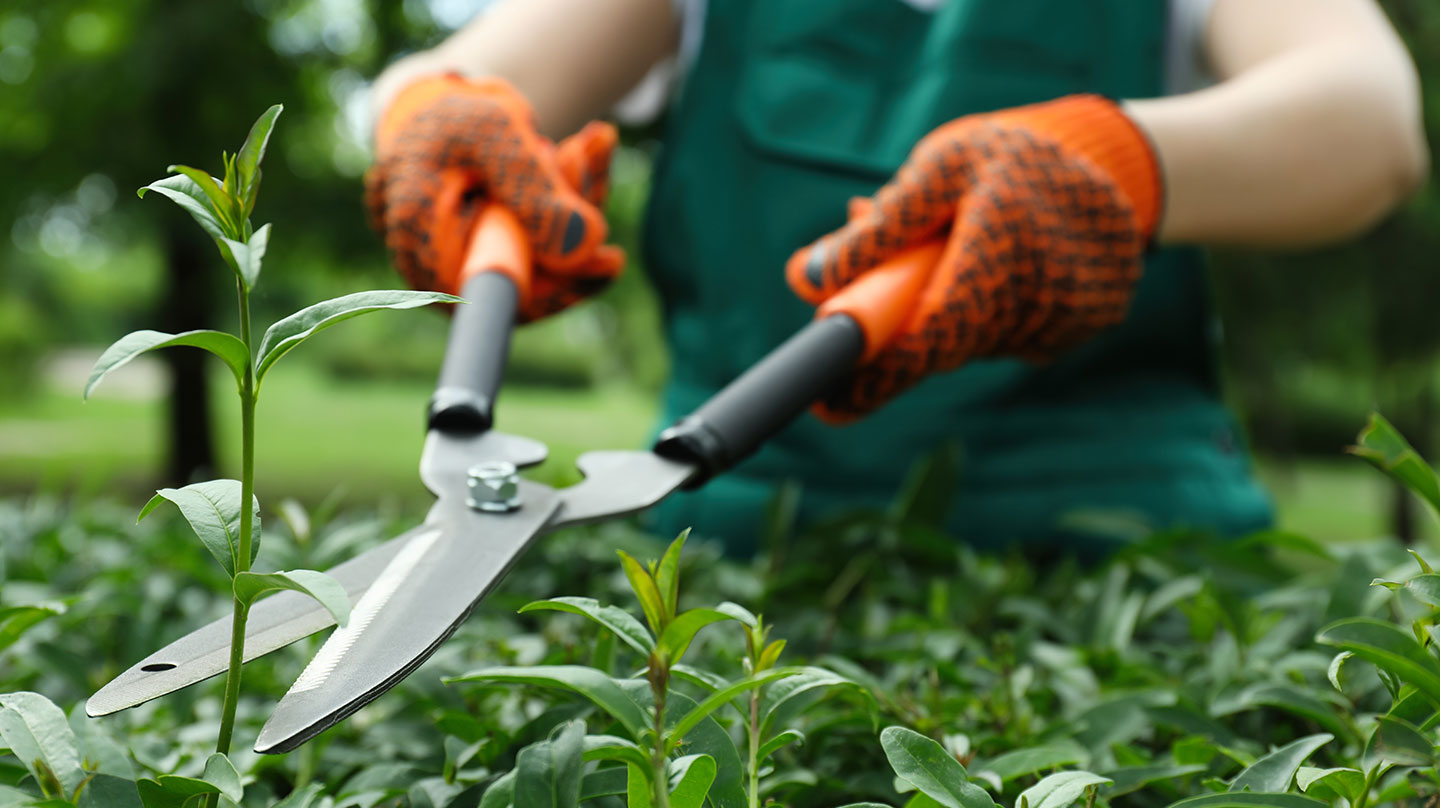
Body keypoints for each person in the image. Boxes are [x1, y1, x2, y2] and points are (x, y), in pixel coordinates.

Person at [365, 0, 1428, 557]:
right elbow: (472, 79)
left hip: (1123, 541)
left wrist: (1125, 165)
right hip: (730, 552)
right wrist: (425, 115)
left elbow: (1371, 118)